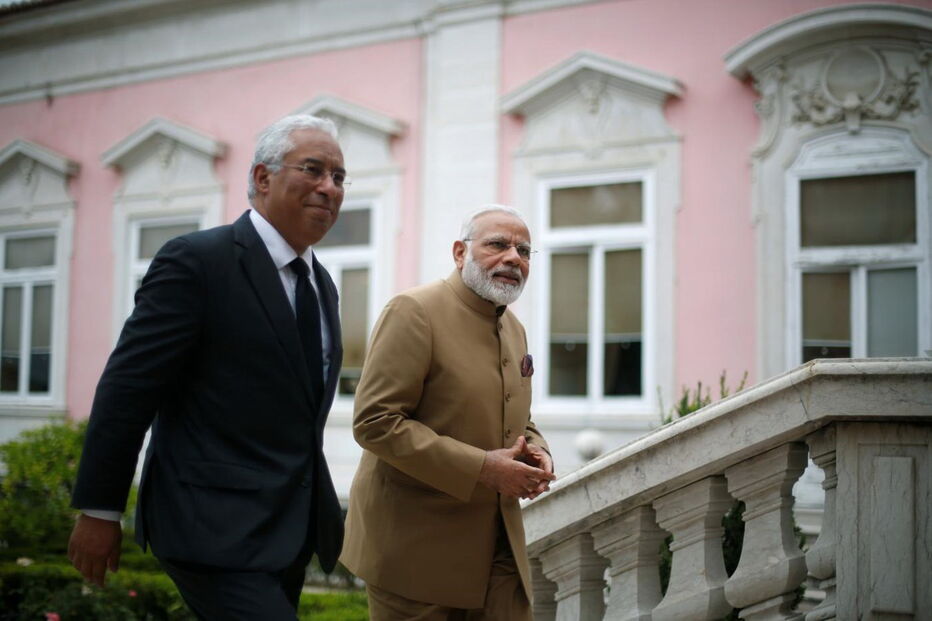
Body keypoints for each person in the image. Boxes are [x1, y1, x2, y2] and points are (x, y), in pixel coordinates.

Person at [67, 114, 347, 620]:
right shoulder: (198, 261)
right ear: (262, 178)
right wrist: (99, 508)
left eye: (339, 177)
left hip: (287, 528)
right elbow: (129, 386)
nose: (329, 188)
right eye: (313, 169)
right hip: (209, 524)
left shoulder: (321, 284)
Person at [341, 205, 555, 620]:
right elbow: (375, 423)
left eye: (525, 251)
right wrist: (482, 468)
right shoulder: (412, 311)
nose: (514, 257)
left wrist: (538, 449)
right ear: (460, 253)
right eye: (498, 244)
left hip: (498, 548)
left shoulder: (514, 328)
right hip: (414, 554)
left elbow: (516, 418)